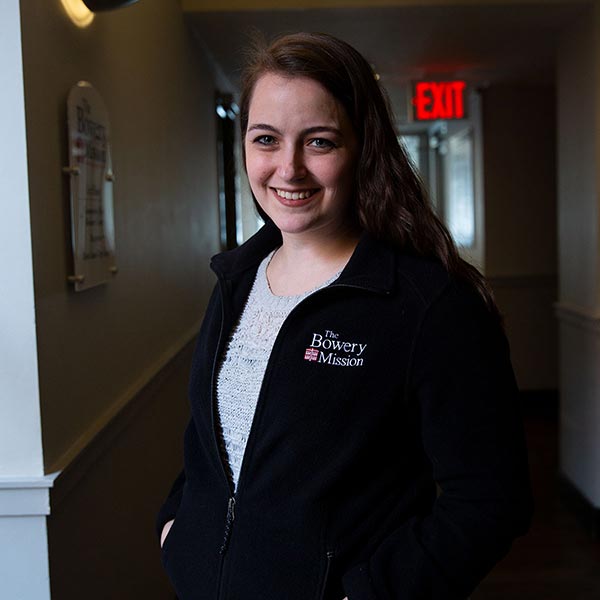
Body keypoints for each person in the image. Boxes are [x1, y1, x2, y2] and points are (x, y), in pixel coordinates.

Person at [156, 32, 533, 600]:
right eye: (266, 139)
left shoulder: (429, 305)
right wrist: (176, 527)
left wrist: (365, 593)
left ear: (364, 146)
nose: (288, 168)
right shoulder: (235, 279)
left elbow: (489, 503)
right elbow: (211, 438)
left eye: (320, 142)